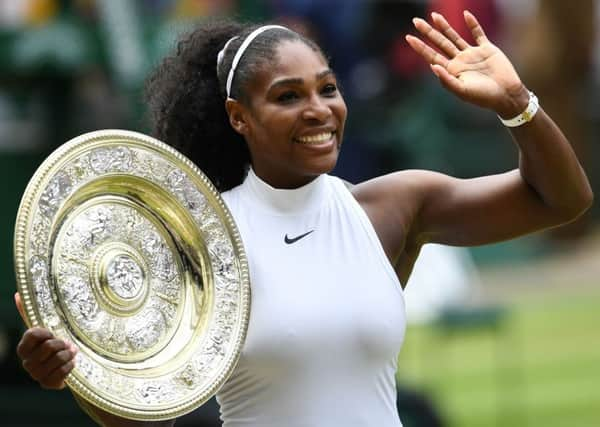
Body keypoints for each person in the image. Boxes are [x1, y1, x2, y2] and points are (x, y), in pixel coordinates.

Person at [15, 10, 592, 427]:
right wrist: (76, 379)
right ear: (239, 117)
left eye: (328, 88)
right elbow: (144, 420)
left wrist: (517, 104)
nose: (319, 109)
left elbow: (561, 200)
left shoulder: (392, 208)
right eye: (288, 96)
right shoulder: (202, 243)